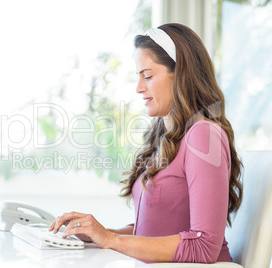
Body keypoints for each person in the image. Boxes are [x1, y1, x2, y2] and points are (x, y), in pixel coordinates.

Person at [49, 23, 243, 264]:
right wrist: (97, 234)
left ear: (181, 74)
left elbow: (203, 246)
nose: (139, 88)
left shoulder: (204, 135)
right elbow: (155, 231)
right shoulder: (167, 140)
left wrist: (111, 240)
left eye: (148, 76)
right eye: (139, 76)